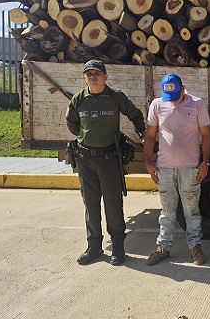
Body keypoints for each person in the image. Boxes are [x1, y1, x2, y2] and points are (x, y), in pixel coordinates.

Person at [66, 59, 145, 266]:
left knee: (113, 204)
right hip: (85, 159)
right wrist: (86, 137)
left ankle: (118, 246)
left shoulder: (116, 97)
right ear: (85, 77)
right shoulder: (78, 99)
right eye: (89, 74)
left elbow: (136, 115)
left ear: (105, 76)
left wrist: (142, 135)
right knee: (90, 204)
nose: (93, 77)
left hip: (109, 159)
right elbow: (72, 123)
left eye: (97, 73)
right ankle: (94, 246)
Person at [143, 73, 210, 266]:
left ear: (183, 89)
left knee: (192, 212)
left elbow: (206, 135)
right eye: (168, 97)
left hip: (190, 169)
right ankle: (163, 248)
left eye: (175, 96)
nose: (172, 101)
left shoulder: (197, 104)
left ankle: (195, 248)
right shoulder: (157, 105)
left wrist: (205, 162)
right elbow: (150, 135)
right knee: (167, 212)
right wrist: (148, 162)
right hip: (164, 170)